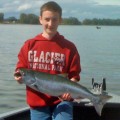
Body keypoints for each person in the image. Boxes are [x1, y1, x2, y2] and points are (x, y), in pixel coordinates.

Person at [14, 1, 81, 120]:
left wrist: (69, 92)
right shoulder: (29, 45)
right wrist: (19, 78)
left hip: (63, 101)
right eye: (47, 19)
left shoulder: (69, 47)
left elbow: (74, 75)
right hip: (37, 102)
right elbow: (20, 72)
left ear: (60, 20)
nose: (50, 24)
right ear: (40, 19)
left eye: (54, 19)